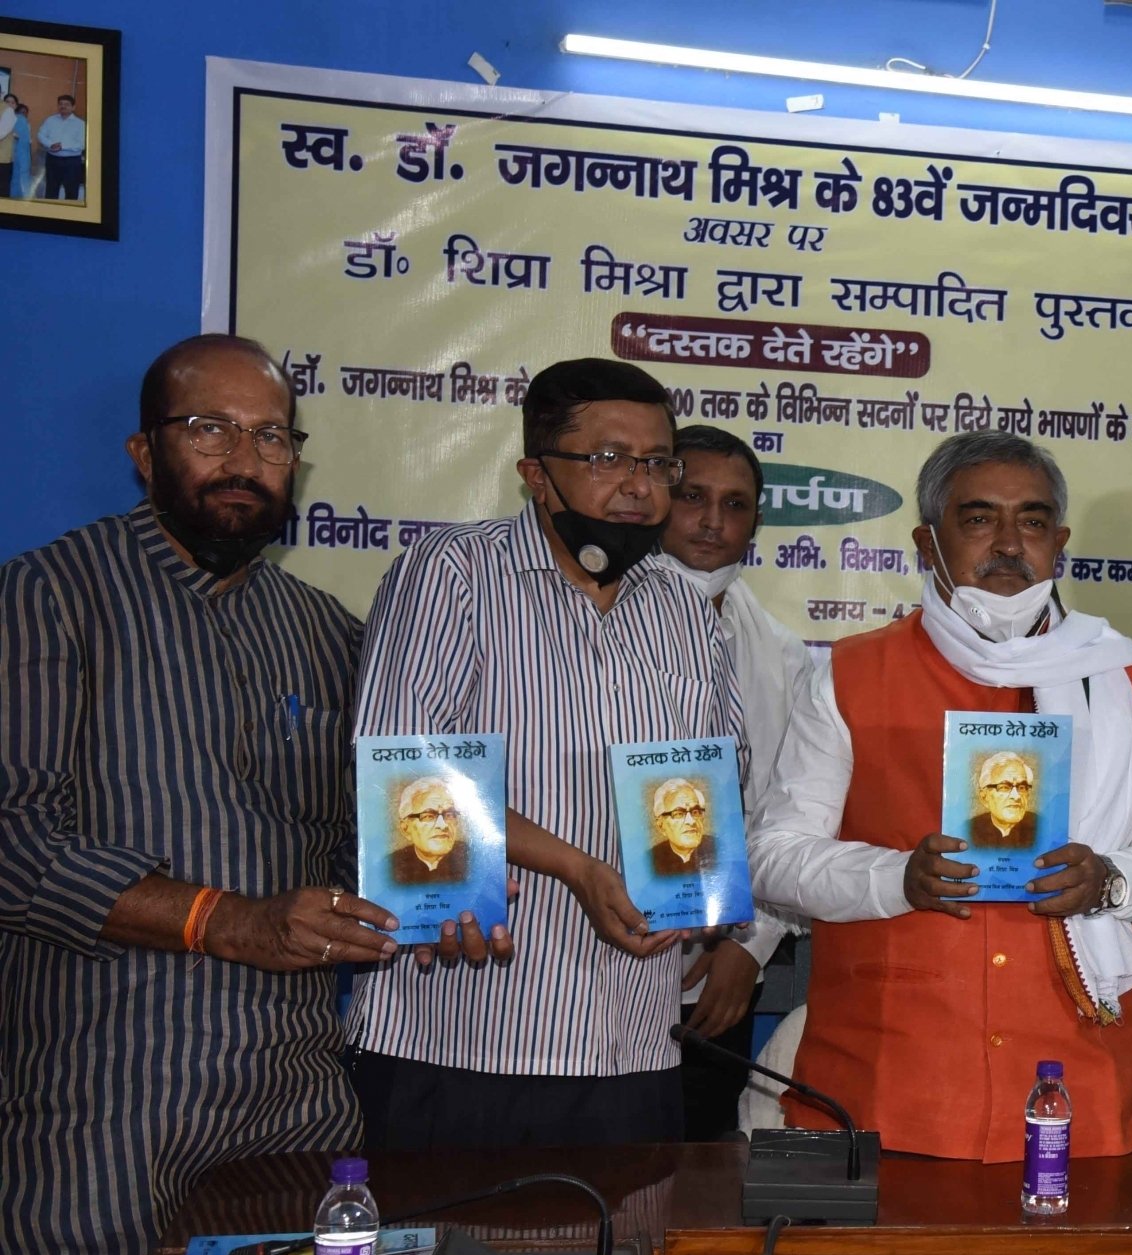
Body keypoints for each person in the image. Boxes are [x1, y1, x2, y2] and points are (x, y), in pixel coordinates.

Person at [0, 334, 405, 1255]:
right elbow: (14, 841)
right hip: (106, 1096)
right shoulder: (53, 594)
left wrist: (439, 886)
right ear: (146, 453)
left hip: (297, 1093)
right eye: (210, 429)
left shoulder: (325, 629)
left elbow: (362, 839)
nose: (245, 458)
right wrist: (229, 921)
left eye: (271, 436)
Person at [749, 429, 1132, 1161]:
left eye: (1030, 520)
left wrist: (1110, 880)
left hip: (1073, 1085)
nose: (1006, 542)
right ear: (926, 542)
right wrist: (895, 877)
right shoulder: (851, 673)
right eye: (977, 518)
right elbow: (772, 857)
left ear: (1058, 542)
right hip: (886, 1088)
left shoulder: (1120, 680)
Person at [344, 358, 739, 1152]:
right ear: (536, 475)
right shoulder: (453, 572)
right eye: (606, 459)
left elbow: (705, 784)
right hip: (467, 1036)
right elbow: (403, 773)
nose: (637, 483)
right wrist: (578, 867)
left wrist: (700, 897)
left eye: (657, 463)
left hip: (635, 1041)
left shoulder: (685, 610)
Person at [659, 423, 811, 1140]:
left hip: (724, 967)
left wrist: (748, 950)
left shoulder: (782, 657)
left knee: (693, 1169)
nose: (712, 521)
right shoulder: (585, 630)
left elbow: (792, 814)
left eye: (735, 504)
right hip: (592, 957)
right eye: (691, 496)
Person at [390, 776, 468, 884]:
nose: (442, 825)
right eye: (428, 816)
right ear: (406, 828)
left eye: (449, 815)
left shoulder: (473, 860)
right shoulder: (390, 865)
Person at [968, 752, 1038, 847]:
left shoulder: (1042, 827)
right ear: (984, 797)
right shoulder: (969, 830)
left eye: (1021, 787)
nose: (1016, 796)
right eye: (1004, 787)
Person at [650, 778, 711, 875]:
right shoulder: (651, 860)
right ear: (661, 826)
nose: (691, 821)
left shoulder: (719, 850)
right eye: (678, 814)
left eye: (695, 812)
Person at [37, 93, 84, 201]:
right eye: (60, 104)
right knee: (51, 190)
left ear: (73, 107)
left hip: (72, 162)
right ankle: (49, 215)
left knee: (71, 191)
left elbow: (82, 144)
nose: (63, 106)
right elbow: (40, 135)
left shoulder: (80, 124)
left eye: (66, 104)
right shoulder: (50, 120)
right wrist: (50, 145)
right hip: (52, 159)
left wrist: (62, 146)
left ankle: (70, 216)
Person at [8, 99, 31, 200]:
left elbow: (25, 142)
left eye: (25, 112)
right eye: (21, 112)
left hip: (17, 157)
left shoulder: (23, 122)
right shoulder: (19, 120)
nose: (23, 114)